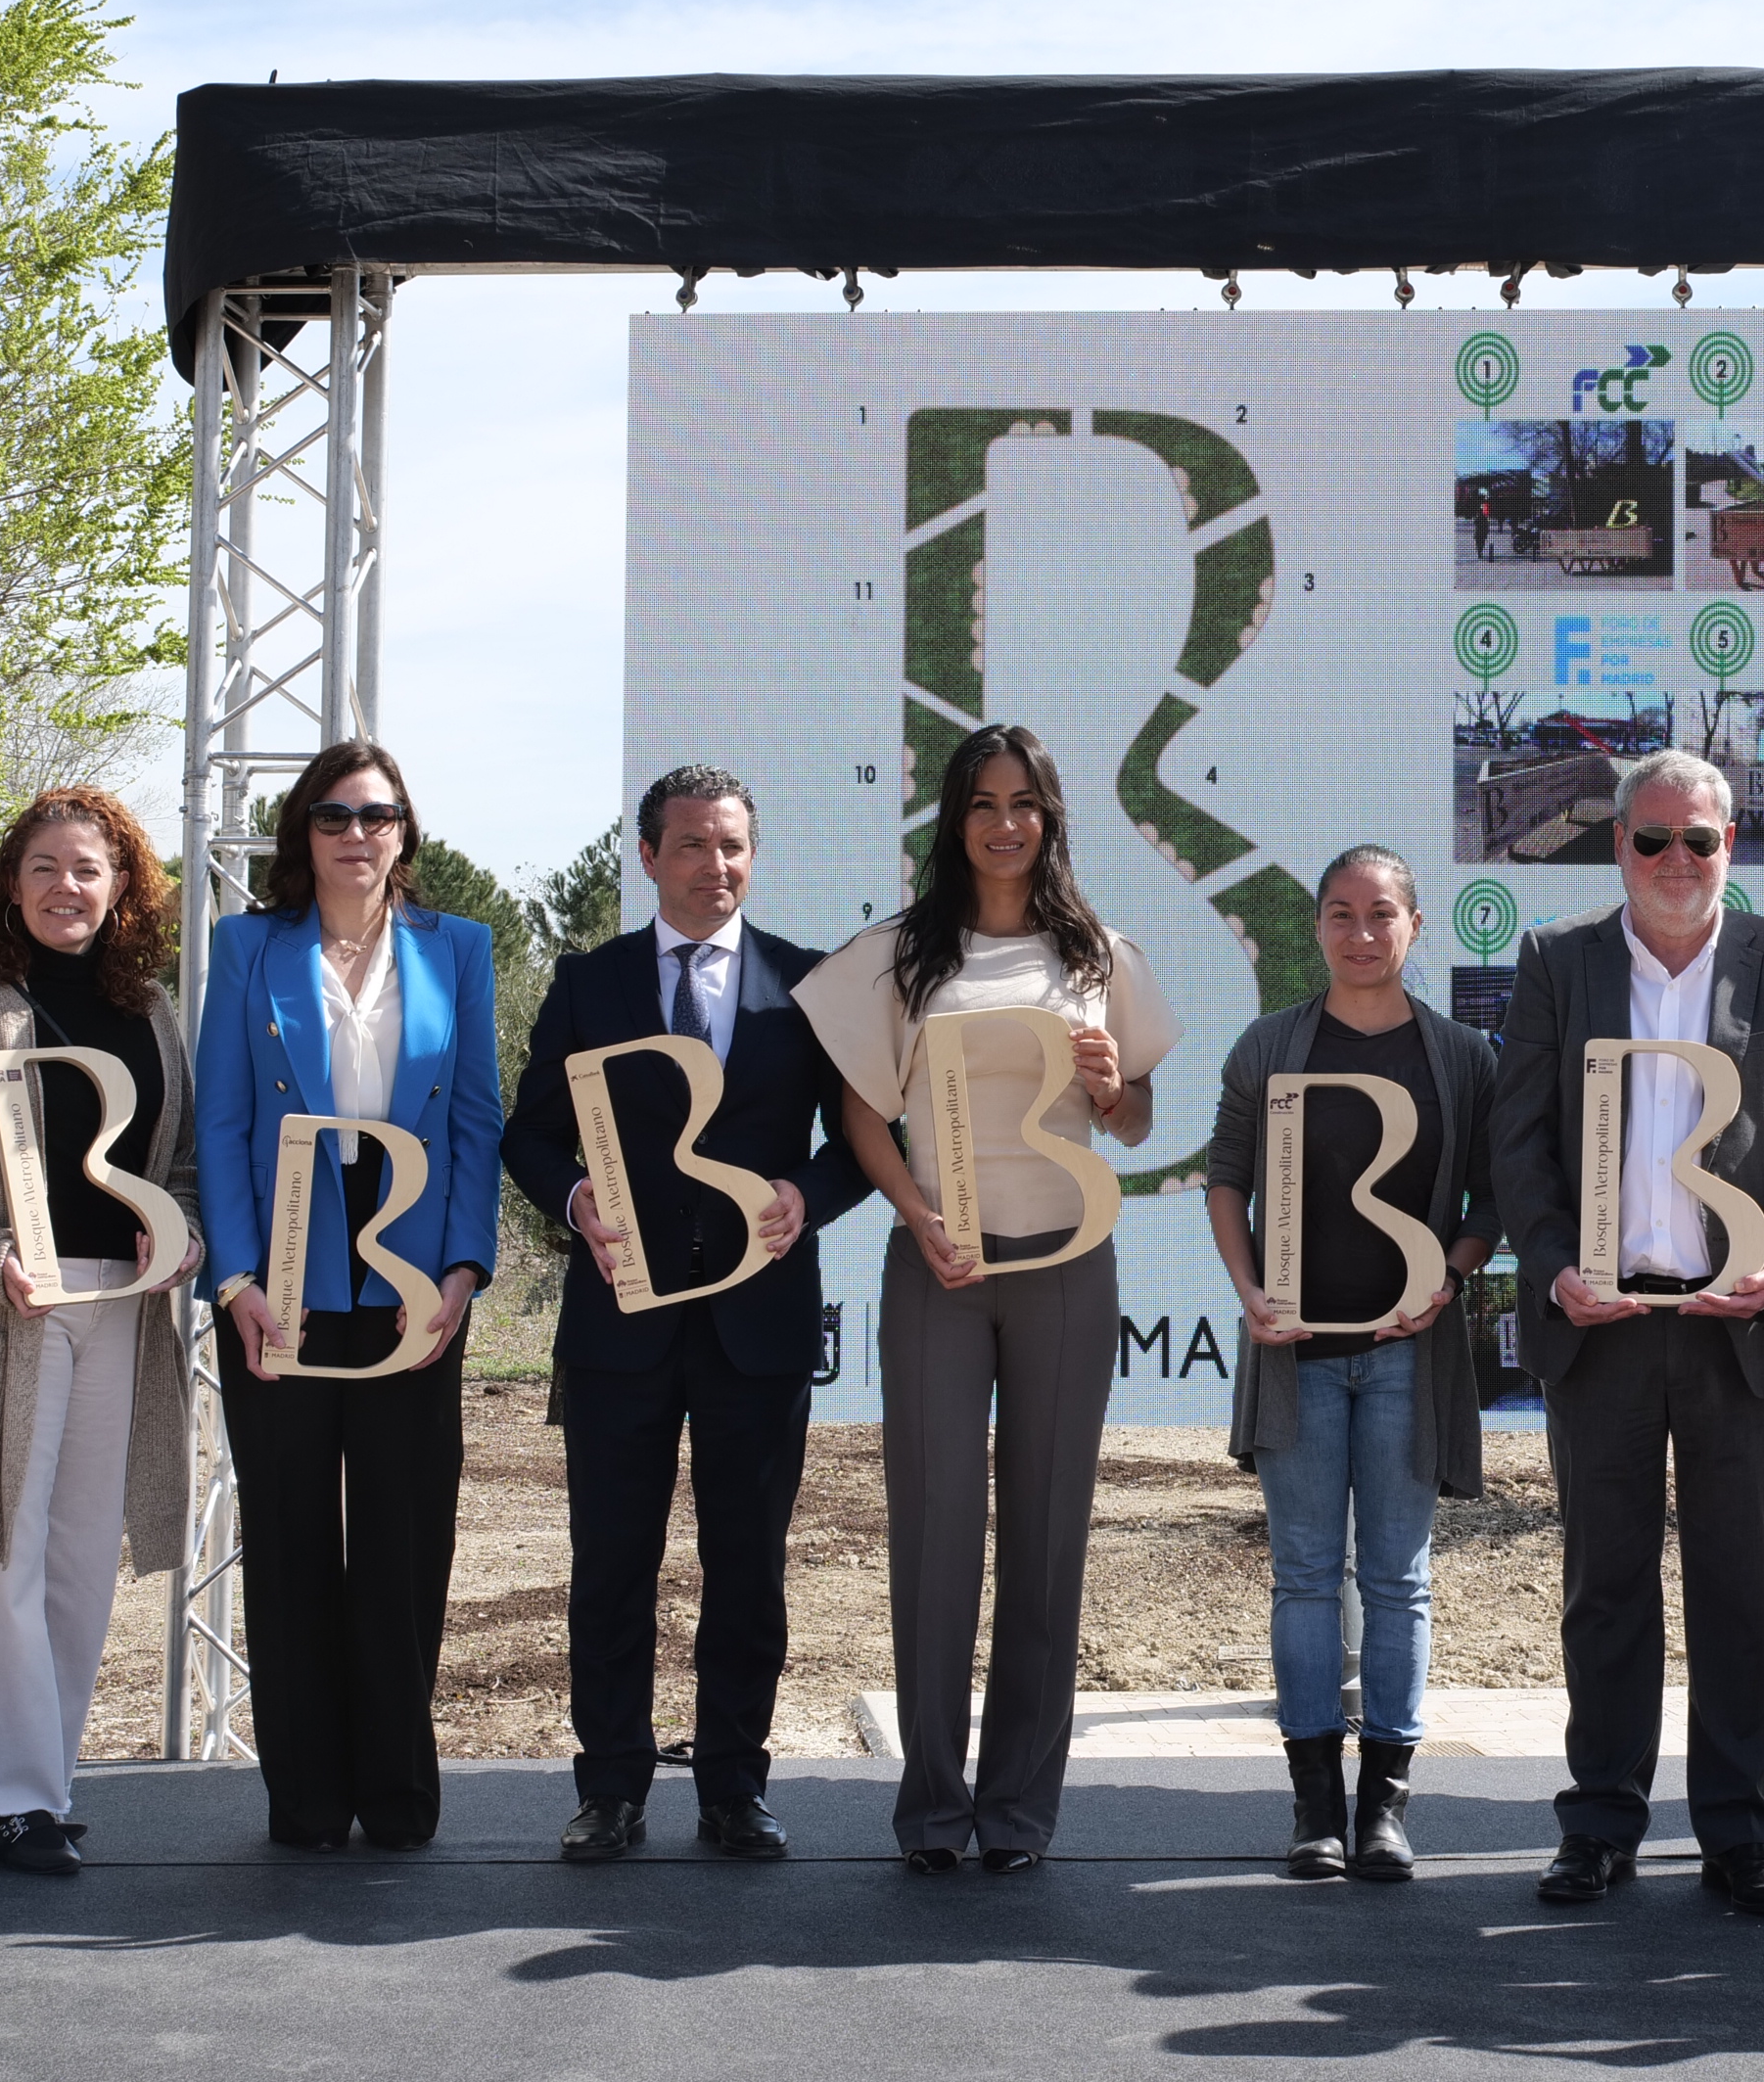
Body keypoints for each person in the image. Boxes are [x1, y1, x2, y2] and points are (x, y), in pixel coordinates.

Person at [796, 722, 1179, 1874]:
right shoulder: (900, 952)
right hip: (941, 1272)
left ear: (1051, 819)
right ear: (954, 819)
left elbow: (1140, 1119)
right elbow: (860, 1109)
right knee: (934, 1537)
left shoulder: (1097, 954)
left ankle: (1018, 1813)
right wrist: (915, 1214)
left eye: (1025, 802)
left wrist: (1117, 1091)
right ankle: (930, 1808)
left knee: (1049, 1540)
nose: (1004, 822)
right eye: (982, 801)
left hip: (1067, 1262)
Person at [1488, 750, 1764, 1917]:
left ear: (1730, 847)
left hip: (1735, 1330)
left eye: (1700, 840)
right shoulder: (1556, 961)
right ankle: (1600, 1822)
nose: (1677, 862)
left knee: (1739, 1590)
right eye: (1654, 840)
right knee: (1606, 1586)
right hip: (1600, 1328)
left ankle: (1742, 1833)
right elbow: (1520, 1145)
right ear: (1620, 847)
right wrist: (1550, 1271)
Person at [501, 763, 871, 1867]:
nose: (718, 866)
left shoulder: (810, 985)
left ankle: (733, 1790)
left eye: (734, 847)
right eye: (695, 845)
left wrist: (813, 1192)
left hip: (757, 1327)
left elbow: (860, 1138)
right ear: (651, 856)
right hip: (621, 1320)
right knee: (611, 1562)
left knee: (747, 1566)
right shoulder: (588, 982)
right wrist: (573, 1202)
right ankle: (609, 1789)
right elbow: (529, 1133)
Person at [0, 787, 204, 1876]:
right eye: (47, 869)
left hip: (123, 1302)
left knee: (79, 1554)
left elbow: (185, 1160)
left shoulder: (152, 1012)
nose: (69, 888)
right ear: (11, 886)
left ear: (124, 888)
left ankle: (39, 1782)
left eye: (90, 869)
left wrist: (187, 1236)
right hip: (3, 1314)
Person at [195, 739, 504, 1853]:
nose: (356, 834)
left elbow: (476, 1119)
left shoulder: (458, 948)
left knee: (402, 1538)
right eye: (332, 816)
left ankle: (398, 1788)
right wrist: (234, 1278)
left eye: (377, 815)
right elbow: (221, 1125)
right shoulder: (246, 949)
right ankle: (307, 1798)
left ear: (405, 832)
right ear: (302, 836)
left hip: (414, 1285)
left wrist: (464, 1269)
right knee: (286, 1542)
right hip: (279, 1281)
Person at [1204, 846, 1500, 1882]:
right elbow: (1225, 1179)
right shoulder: (1270, 1044)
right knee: (1302, 1578)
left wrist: (1451, 1275)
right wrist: (1250, 1295)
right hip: (1300, 1360)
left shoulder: (1463, 1054)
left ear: (1416, 927)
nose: (1361, 934)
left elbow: (1497, 1194)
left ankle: (1386, 1810)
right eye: (1341, 914)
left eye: (1382, 914)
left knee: (1398, 1580)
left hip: (1407, 1361)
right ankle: (1313, 1810)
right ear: (1318, 928)